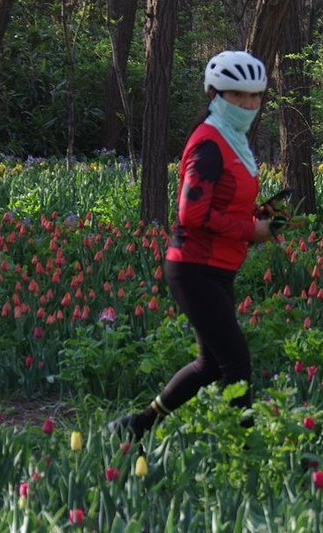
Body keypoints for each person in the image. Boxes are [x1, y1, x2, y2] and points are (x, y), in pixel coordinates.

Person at [107, 50, 280, 440]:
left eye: (255, 97)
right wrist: (252, 231)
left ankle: (137, 425)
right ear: (216, 95)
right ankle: (244, 450)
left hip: (217, 267)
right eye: (239, 96)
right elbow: (191, 214)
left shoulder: (232, 139)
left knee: (210, 365)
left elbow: (224, 204)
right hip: (194, 267)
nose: (249, 104)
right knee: (236, 362)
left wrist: (260, 214)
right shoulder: (209, 144)